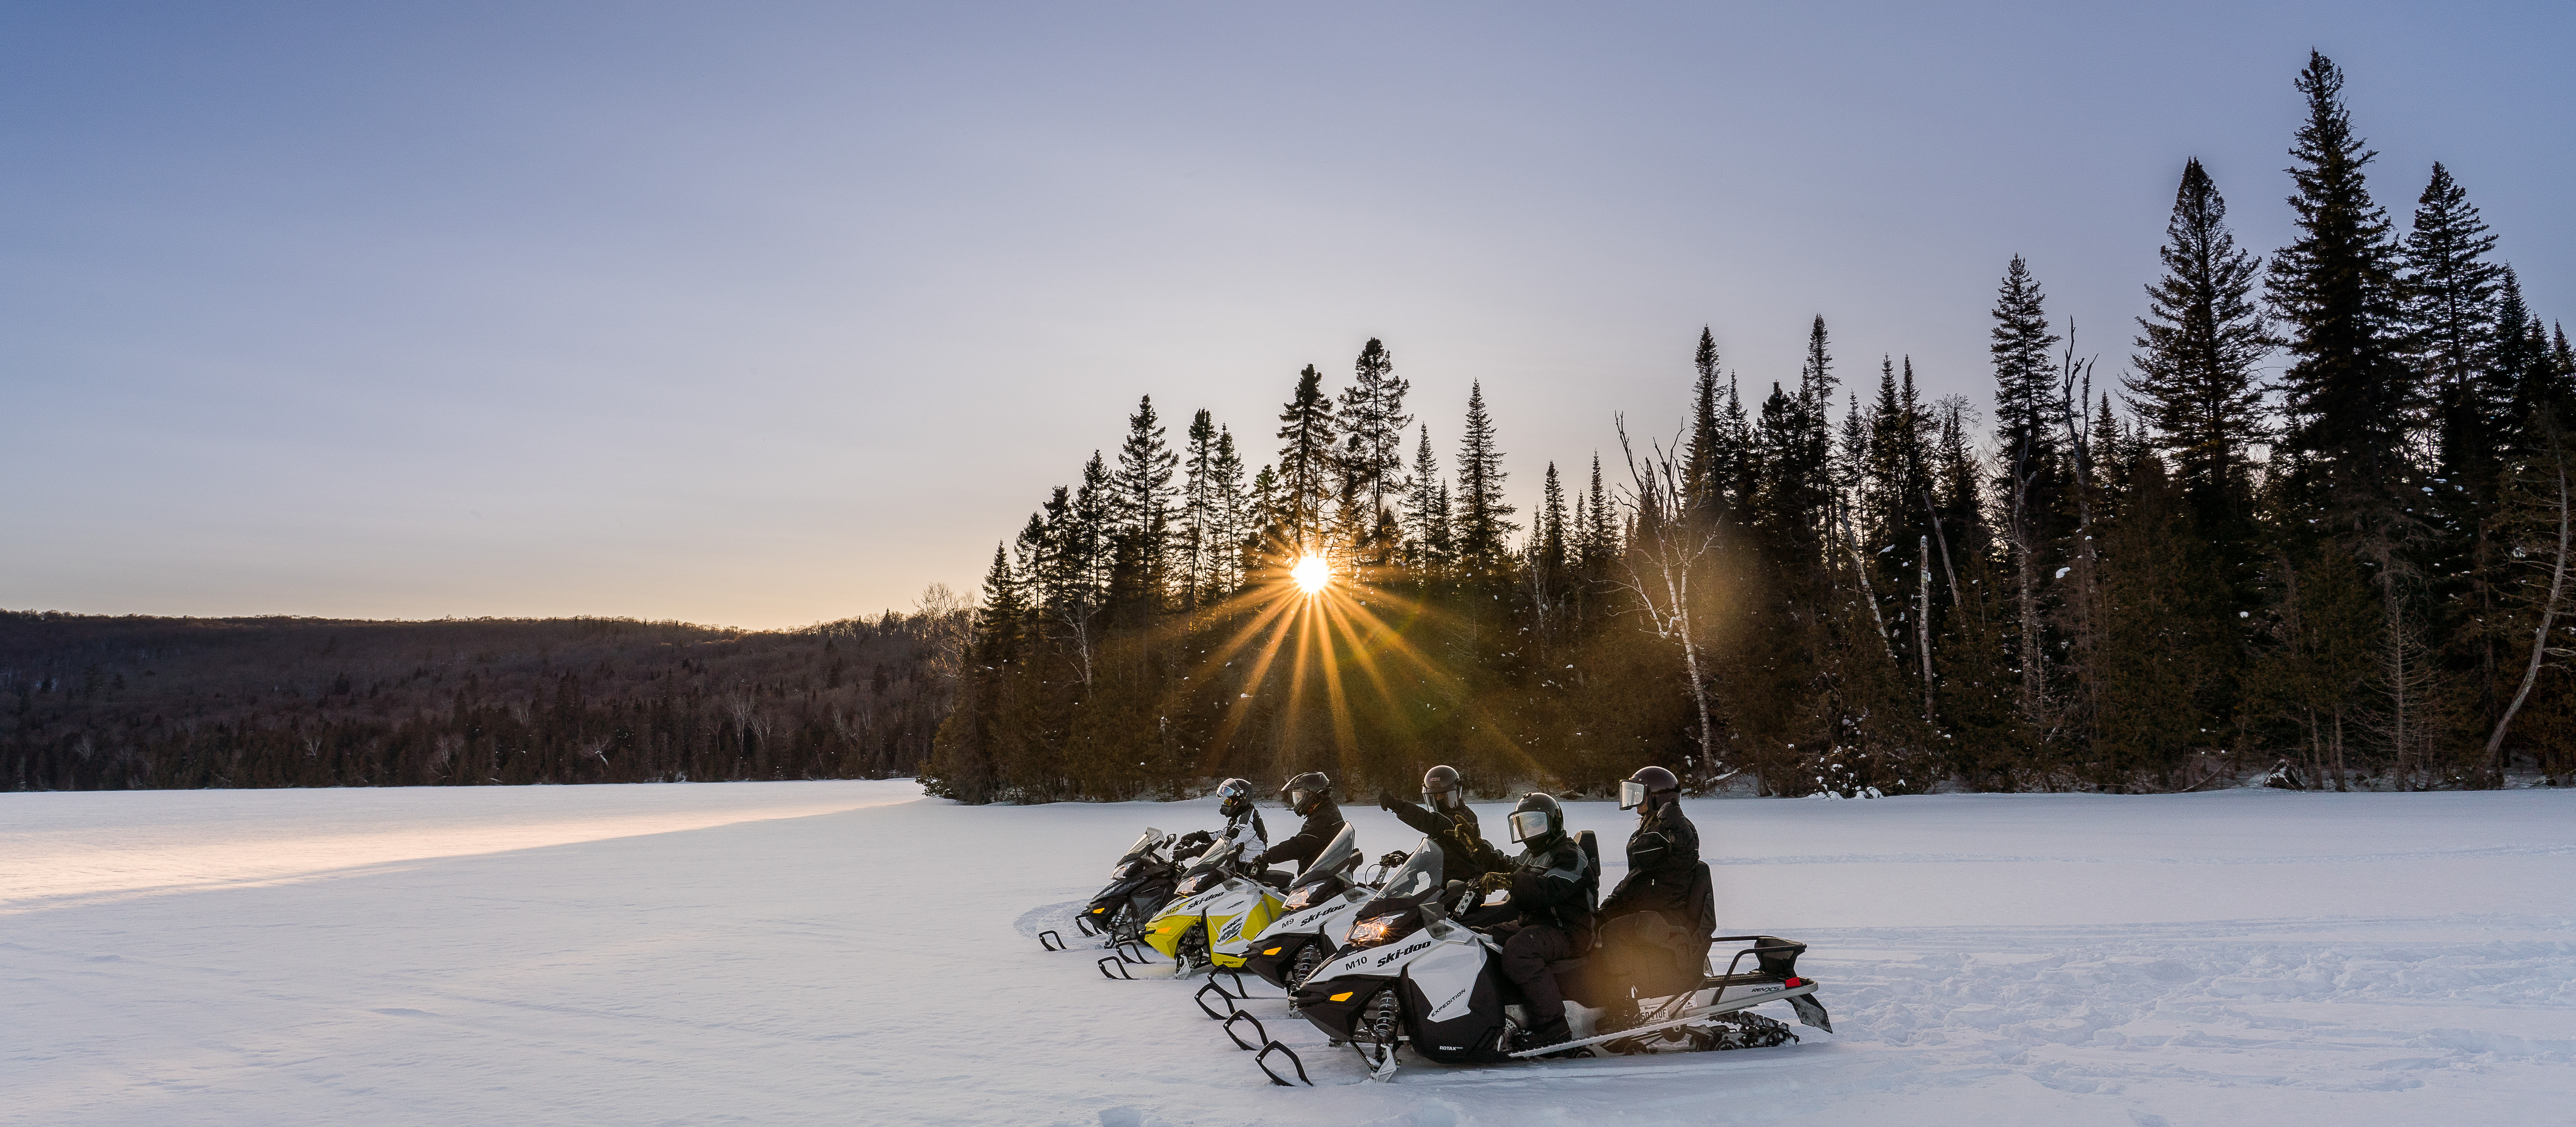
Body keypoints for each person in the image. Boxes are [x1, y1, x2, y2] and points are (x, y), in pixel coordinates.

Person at [1588, 765, 1709, 1028]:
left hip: (1668, 915)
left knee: (1614, 933)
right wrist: (1608, 907)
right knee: (1596, 927)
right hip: (1651, 909)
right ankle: (1606, 997)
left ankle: (1625, 1010)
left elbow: (1687, 853)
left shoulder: (1677, 829)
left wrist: (1675, 821)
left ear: (1657, 796)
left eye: (1638, 794)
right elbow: (1637, 879)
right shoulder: (1648, 827)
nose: (1633, 802)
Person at [1478, 792, 1597, 1051]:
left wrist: (1511, 881)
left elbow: (1550, 889)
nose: (1530, 830)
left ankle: (1554, 1025)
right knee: (1479, 937)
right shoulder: (1534, 854)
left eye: (1536, 823)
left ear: (1553, 823)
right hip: (1537, 925)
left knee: (1519, 951)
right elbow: (1507, 864)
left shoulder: (1569, 855)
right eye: (1524, 824)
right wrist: (1477, 848)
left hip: (1568, 930)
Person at [1375, 765, 1511, 887]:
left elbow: (1433, 823)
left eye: (1442, 795)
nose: (1438, 800)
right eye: (1433, 797)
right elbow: (1436, 851)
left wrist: (1399, 807)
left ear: (1455, 794)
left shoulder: (1463, 818)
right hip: (1441, 889)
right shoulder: (1441, 820)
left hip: (1465, 890)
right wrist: (1410, 859)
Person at [1252, 772, 1345, 879]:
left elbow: (1300, 845)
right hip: (1317, 877)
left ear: (1312, 794)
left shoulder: (1325, 818)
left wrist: (1268, 857)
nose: (1297, 802)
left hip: (1320, 879)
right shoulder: (1325, 810)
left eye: (1299, 797)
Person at [1176, 777, 1267, 863]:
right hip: (1237, 864)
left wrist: (1193, 852)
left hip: (1249, 868)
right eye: (1226, 801)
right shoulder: (1241, 815)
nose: (1226, 803)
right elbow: (1224, 835)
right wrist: (1198, 836)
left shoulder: (1247, 821)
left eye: (1229, 801)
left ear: (1240, 799)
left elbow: (1225, 844)